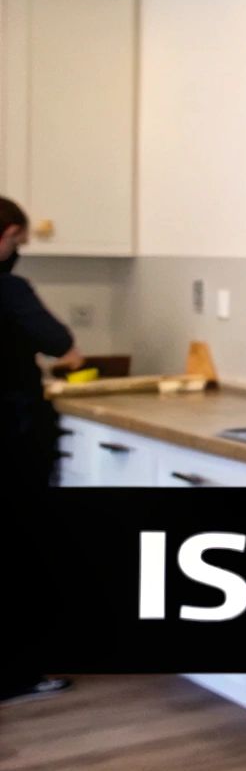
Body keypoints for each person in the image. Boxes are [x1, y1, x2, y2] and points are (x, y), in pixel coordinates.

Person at [0, 195, 80, 705]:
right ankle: (17, 676)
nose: (19, 251)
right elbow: (61, 344)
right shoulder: (10, 290)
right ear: (6, 234)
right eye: (19, 242)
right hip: (12, 436)